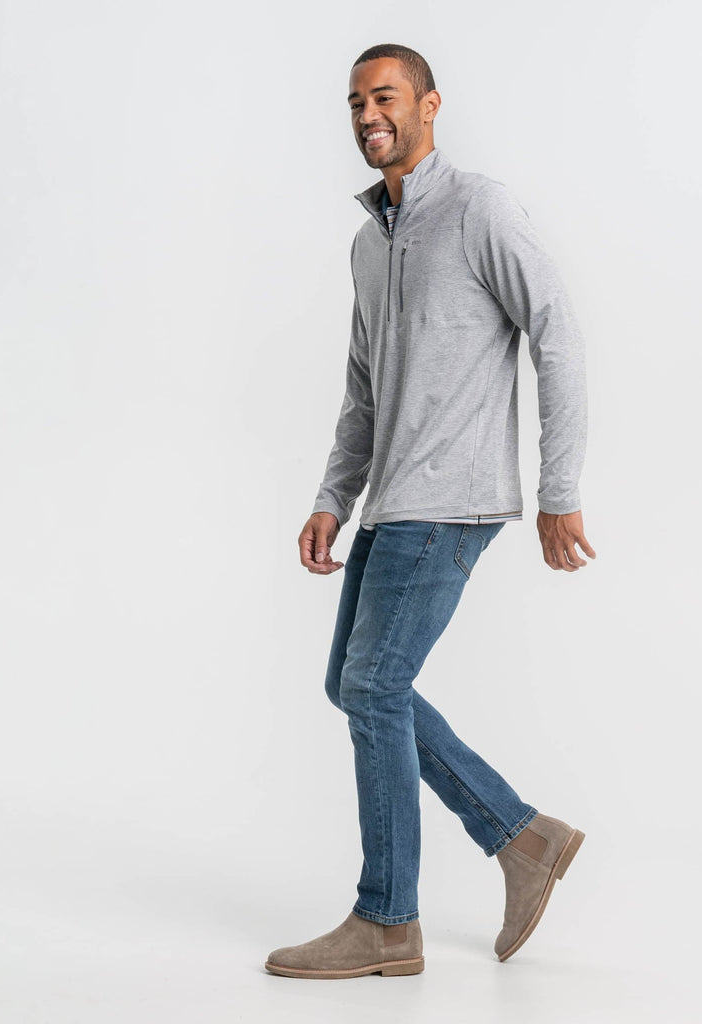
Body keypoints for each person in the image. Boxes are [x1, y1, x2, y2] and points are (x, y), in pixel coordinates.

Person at [265, 42, 596, 980]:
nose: (370, 115)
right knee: (355, 685)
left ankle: (387, 920)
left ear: (429, 106)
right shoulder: (370, 243)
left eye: (386, 97)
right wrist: (333, 497)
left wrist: (559, 492)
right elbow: (363, 392)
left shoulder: (479, 208)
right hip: (390, 501)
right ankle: (521, 838)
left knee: (373, 685)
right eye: (356, 102)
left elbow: (557, 335)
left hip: (453, 499)